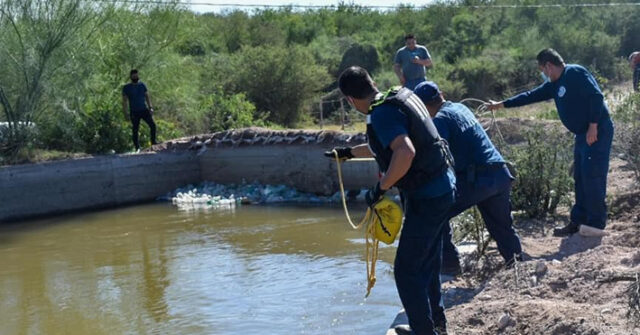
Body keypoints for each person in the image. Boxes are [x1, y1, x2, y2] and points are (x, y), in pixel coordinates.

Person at [325, 66, 455, 335]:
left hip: (427, 197)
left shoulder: (381, 113)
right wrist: (348, 153)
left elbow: (404, 152)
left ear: (349, 99)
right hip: (443, 188)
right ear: (371, 82)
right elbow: (384, 146)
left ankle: (424, 331)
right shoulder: (399, 96)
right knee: (426, 262)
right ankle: (435, 325)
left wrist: (380, 189)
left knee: (406, 271)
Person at [487, 48, 614, 237]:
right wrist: (502, 104)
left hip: (597, 130)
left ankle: (596, 225)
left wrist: (593, 126)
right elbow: (530, 96)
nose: (542, 74)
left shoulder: (575, 73)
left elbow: (596, 96)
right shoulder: (553, 84)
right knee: (579, 176)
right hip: (582, 134)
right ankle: (578, 221)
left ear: (549, 65)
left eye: (542, 69)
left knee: (593, 175)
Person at [414, 81, 522, 275]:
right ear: (442, 94)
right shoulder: (461, 108)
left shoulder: (439, 120)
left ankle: (449, 267)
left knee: (434, 212)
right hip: (500, 173)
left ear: (421, 107)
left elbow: (435, 155)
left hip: (478, 179)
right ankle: (517, 265)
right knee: (502, 226)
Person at [122, 69, 157, 151]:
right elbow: (124, 101)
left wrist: (150, 107)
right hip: (134, 111)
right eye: (133, 76)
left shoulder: (142, 85)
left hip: (144, 110)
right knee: (135, 129)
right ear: (130, 77)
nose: (135, 77)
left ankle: (153, 142)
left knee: (153, 125)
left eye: (136, 75)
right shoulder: (127, 88)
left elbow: (147, 96)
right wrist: (125, 113)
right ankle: (137, 147)